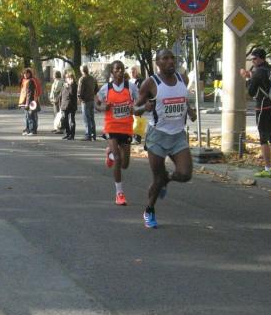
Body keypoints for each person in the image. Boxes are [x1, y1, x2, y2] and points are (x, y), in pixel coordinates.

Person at [133, 49, 195, 228]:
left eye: (172, 58)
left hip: (178, 136)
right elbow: (134, 109)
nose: (170, 61)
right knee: (157, 180)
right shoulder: (151, 83)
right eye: (165, 58)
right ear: (157, 63)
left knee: (185, 174)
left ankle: (167, 179)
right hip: (157, 136)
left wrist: (190, 111)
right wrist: (144, 107)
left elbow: (182, 98)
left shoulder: (183, 79)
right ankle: (149, 210)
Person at [96, 61, 140, 206]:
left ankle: (109, 153)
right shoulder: (106, 88)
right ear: (112, 72)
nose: (120, 71)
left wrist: (135, 107)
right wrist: (103, 107)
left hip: (126, 128)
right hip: (111, 127)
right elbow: (97, 103)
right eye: (117, 69)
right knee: (118, 158)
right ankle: (119, 193)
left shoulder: (131, 87)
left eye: (121, 69)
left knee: (125, 164)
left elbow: (139, 100)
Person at [239, 47, 271, 177]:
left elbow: (251, 92)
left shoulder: (258, 72)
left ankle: (267, 169)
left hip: (262, 106)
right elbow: (266, 83)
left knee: (263, 138)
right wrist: (252, 76)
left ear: (260, 58)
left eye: (254, 58)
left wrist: (247, 78)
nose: (252, 61)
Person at [77, 65, 98, 141]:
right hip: (91, 100)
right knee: (92, 118)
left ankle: (88, 135)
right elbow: (96, 89)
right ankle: (93, 135)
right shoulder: (93, 78)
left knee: (86, 118)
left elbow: (80, 90)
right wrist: (93, 94)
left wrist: (79, 97)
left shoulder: (82, 79)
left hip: (85, 101)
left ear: (82, 70)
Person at [18, 68, 40, 135]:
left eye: (26, 73)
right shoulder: (25, 80)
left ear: (29, 74)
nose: (25, 75)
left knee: (31, 116)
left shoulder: (31, 81)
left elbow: (30, 93)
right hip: (26, 101)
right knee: (27, 116)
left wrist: (27, 103)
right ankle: (28, 129)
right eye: (24, 73)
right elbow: (24, 92)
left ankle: (32, 130)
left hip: (30, 102)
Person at [59, 69, 77, 140]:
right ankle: (67, 133)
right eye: (67, 78)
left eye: (69, 78)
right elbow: (61, 95)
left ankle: (72, 135)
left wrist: (70, 86)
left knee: (72, 120)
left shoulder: (74, 85)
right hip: (64, 105)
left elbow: (72, 93)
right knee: (65, 120)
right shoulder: (65, 85)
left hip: (72, 105)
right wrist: (60, 104)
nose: (68, 79)